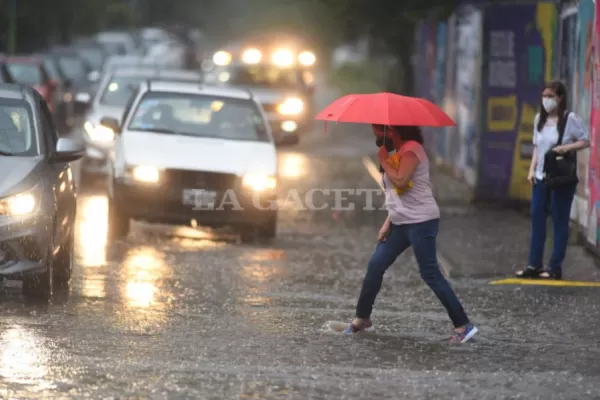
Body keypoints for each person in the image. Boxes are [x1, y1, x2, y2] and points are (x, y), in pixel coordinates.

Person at [344, 124, 478, 344]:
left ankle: (463, 325)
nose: (377, 137)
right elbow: (400, 194)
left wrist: (383, 159)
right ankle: (362, 318)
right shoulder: (398, 152)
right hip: (400, 223)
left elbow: (400, 180)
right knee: (376, 265)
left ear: (393, 131)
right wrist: (388, 221)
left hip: (421, 222)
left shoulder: (412, 149)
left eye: (379, 132)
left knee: (430, 273)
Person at [516, 80, 589, 280]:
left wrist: (566, 148)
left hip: (560, 178)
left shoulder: (569, 119)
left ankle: (555, 267)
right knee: (538, 219)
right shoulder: (540, 118)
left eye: (551, 96)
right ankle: (534, 265)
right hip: (541, 177)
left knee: (559, 221)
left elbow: (585, 140)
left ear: (560, 98)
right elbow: (537, 148)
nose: (546, 100)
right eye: (544, 96)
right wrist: (531, 170)